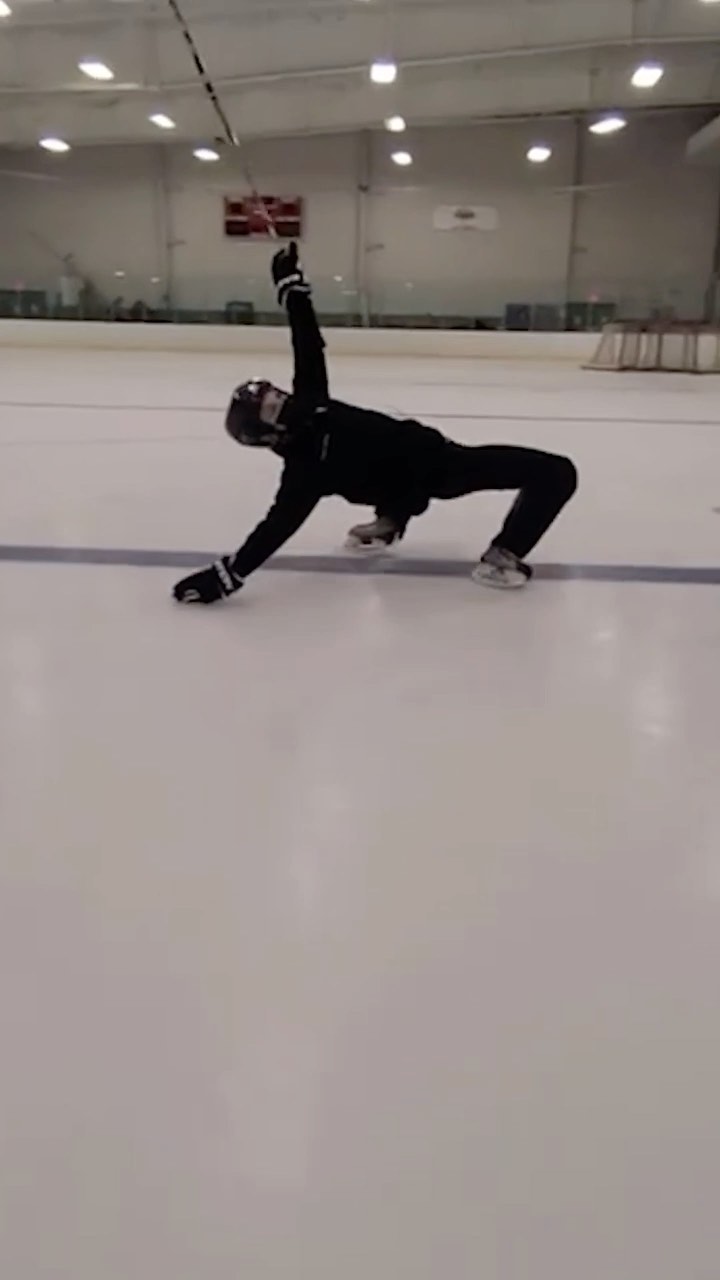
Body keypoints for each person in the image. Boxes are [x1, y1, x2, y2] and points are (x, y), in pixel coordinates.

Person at [173, 244, 577, 605]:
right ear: (268, 434)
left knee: (382, 459)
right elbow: (275, 528)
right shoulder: (305, 473)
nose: (285, 400)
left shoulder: (312, 404)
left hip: (410, 464)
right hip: (440, 468)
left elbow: (307, 342)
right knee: (557, 472)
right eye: (273, 407)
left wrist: (291, 286)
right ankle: (502, 555)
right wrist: (227, 576)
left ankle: (390, 521)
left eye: (277, 394)